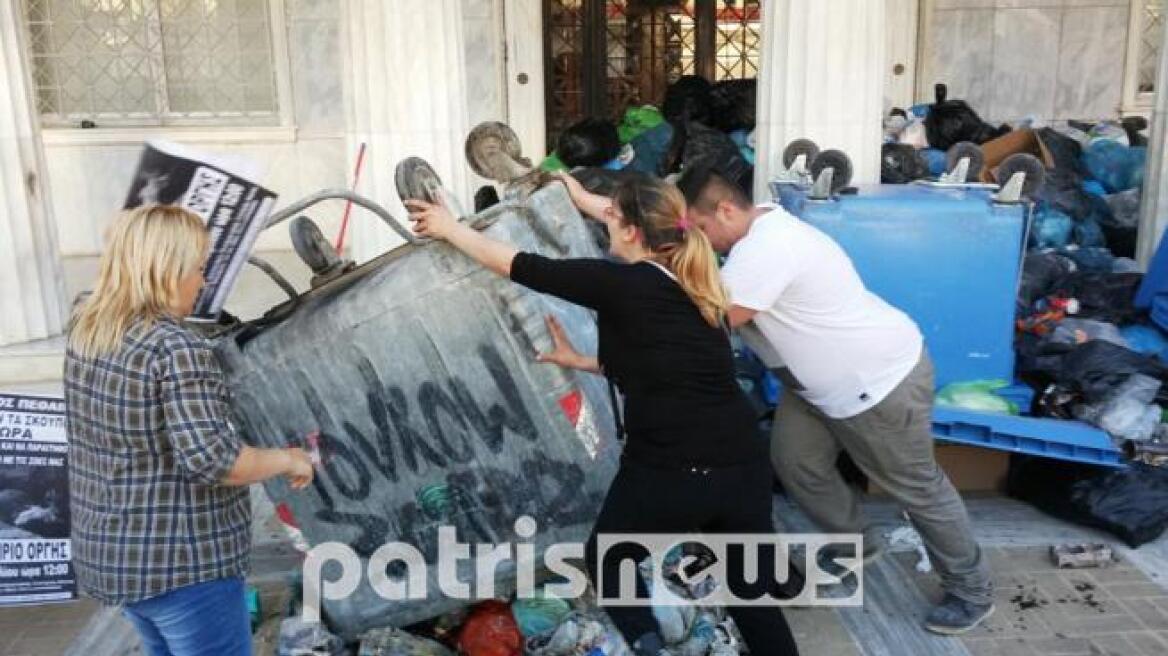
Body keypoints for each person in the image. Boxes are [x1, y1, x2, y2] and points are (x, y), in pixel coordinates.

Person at [407, 175, 800, 655]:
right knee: (749, 595)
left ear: (632, 231)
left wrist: (449, 227)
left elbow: (519, 265)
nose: (607, 225)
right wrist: (584, 362)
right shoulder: (698, 286)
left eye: (613, 218)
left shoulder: (621, 282)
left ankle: (649, 646)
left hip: (673, 466)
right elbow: (669, 367)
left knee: (611, 559)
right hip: (742, 462)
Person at [677, 166, 995, 636]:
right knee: (796, 461)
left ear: (726, 209)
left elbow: (716, 320)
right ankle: (857, 543)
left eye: (701, 230)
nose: (702, 241)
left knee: (917, 488)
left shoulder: (767, 247)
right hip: (815, 388)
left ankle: (971, 590)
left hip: (876, 384)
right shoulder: (759, 231)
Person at [64, 205, 316, 656]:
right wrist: (289, 458)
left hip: (118, 559)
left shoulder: (87, 330)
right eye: (198, 268)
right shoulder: (176, 348)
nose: (202, 282)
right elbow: (217, 462)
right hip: (185, 566)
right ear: (167, 270)